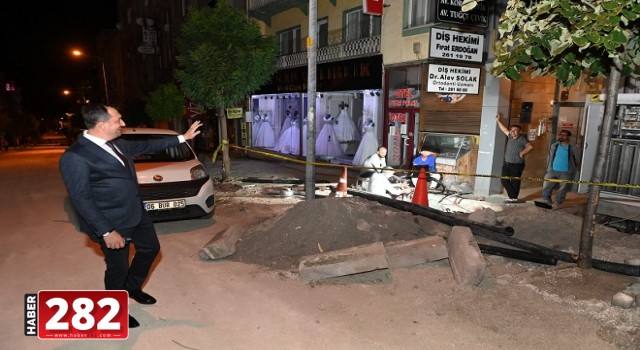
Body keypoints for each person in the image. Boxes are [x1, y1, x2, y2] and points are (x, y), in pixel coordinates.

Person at [58, 104, 202, 329]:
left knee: (151, 249)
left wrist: (182, 138)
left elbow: (145, 144)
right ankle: (114, 311)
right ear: (102, 124)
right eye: (118, 120)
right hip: (111, 222)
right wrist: (106, 231)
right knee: (118, 269)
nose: (123, 124)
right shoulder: (76, 156)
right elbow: (81, 198)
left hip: (135, 213)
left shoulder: (115, 143)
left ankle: (131, 288)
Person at [496, 113, 534, 203]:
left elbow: (530, 146)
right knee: (504, 180)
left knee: (515, 181)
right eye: (512, 130)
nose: (513, 131)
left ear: (519, 131)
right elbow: (504, 129)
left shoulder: (522, 139)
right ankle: (513, 196)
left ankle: (513, 197)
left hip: (517, 164)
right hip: (507, 163)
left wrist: (522, 152)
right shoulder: (510, 136)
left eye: (515, 130)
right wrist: (498, 121)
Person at [541, 130, 579, 206]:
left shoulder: (573, 147)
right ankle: (546, 199)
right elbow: (550, 157)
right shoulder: (554, 146)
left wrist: (573, 168)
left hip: (566, 171)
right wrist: (548, 168)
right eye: (560, 134)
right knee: (547, 185)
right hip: (552, 170)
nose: (561, 136)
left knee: (563, 188)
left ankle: (559, 202)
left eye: (564, 135)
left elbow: (577, 159)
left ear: (568, 137)